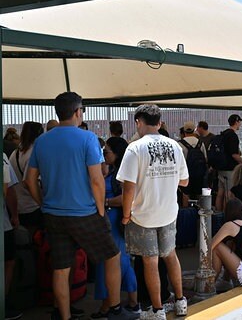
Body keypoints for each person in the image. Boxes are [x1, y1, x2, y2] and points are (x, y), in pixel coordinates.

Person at [25, 92, 136, 320]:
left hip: (53, 215)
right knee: (112, 256)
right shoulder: (87, 139)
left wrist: (42, 202)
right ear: (78, 111)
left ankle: (63, 315)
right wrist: (101, 209)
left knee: (61, 268)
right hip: (85, 212)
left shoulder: (43, 140)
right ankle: (114, 308)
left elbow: (29, 180)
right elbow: (97, 180)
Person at [116, 104, 189, 319]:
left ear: (138, 121)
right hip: (168, 212)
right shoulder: (174, 146)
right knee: (170, 256)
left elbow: (128, 187)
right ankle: (180, 301)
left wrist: (126, 214)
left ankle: (157, 311)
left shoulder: (134, 148)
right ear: (159, 123)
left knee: (150, 261)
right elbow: (184, 181)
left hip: (142, 215)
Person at [91, 137, 139, 318]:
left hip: (115, 223)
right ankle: (132, 302)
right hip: (115, 222)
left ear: (117, 154)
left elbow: (127, 198)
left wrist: (105, 201)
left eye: (107, 152)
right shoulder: (113, 170)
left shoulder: (121, 174)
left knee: (112, 264)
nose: (104, 155)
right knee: (123, 262)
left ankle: (109, 305)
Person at [9, 122, 44, 234]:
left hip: (17, 206)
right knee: (35, 241)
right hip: (31, 207)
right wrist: (42, 203)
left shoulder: (16, 152)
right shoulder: (33, 153)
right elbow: (28, 182)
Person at [216, 114, 242, 212]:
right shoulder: (233, 136)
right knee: (228, 193)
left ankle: (218, 214)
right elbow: (234, 155)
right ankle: (226, 214)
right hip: (229, 169)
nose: (240, 124)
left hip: (220, 167)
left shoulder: (223, 134)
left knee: (220, 192)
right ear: (236, 122)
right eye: (239, 122)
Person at [4, 152, 22, 320]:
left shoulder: (12, 155)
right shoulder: (2, 157)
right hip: (2, 224)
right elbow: (9, 190)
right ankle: (3, 302)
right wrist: (15, 215)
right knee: (8, 261)